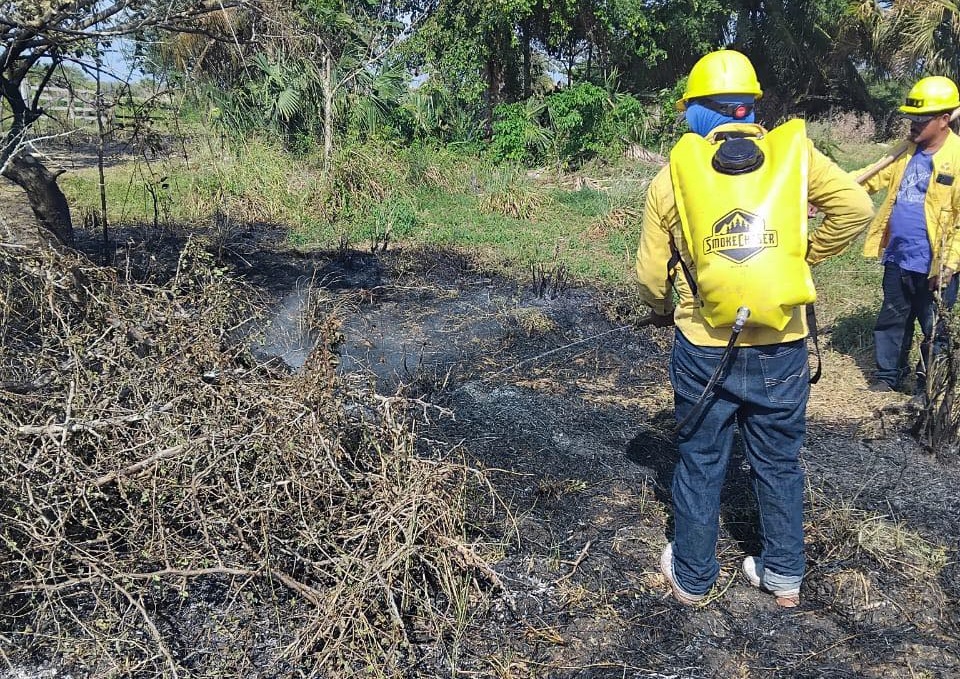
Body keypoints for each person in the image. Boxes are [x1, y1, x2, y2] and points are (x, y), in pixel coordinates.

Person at [635, 50, 874, 607]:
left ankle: (694, 577)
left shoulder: (672, 176)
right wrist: (803, 257)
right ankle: (784, 575)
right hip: (783, 343)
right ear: (750, 107)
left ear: (696, 110)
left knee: (700, 458)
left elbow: (650, 278)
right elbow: (857, 208)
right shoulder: (798, 157)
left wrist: (656, 306)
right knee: (779, 462)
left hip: (703, 346)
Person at [855, 76, 960, 401]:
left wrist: (949, 264)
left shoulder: (957, 158)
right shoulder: (903, 153)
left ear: (944, 120)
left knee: (934, 329)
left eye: (921, 119)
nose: (912, 124)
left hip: (936, 265)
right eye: (910, 118)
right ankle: (888, 375)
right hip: (899, 256)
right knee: (892, 317)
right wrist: (831, 195)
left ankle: (927, 388)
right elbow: (870, 178)